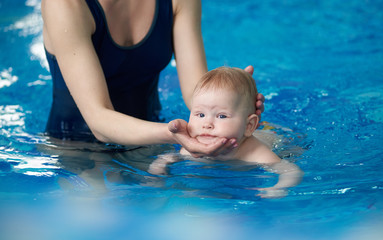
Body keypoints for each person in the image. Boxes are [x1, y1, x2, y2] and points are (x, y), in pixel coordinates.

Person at [41, 0, 265, 157]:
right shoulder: (64, 4)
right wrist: (174, 135)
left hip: (151, 140)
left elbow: (195, 94)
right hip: (75, 148)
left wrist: (233, 97)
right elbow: (98, 122)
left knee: (277, 146)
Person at [148, 67, 303, 198]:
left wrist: (277, 189)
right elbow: (167, 158)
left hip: (276, 140)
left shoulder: (255, 153)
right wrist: (159, 169)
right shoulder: (193, 146)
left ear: (249, 126)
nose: (207, 124)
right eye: (200, 115)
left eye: (221, 116)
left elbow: (291, 171)